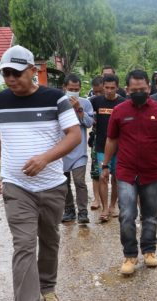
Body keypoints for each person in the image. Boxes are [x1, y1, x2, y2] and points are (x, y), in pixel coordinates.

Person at [0, 45, 81, 301]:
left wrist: (45, 158)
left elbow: (74, 135)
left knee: (50, 240)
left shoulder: (55, 99)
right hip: (17, 186)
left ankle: (47, 288)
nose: (10, 79)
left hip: (52, 185)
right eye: (6, 74)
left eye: (16, 73)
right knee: (24, 245)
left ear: (33, 71)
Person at [101, 69, 157, 276]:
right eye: (134, 89)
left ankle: (149, 251)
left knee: (150, 216)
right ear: (127, 90)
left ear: (149, 88)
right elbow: (111, 140)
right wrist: (105, 165)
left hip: (152, 172)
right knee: (127, 215)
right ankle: (129, 255)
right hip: (126, 172)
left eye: (143, 89)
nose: (139, 92)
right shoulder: (119, 111)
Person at [91, 74, 126, 222]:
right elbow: (87, 118)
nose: (109, 90)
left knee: (116, 178)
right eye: (106, 87)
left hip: (119, 147)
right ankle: (104, 208)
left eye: (112, 88)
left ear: (117, 87)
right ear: (102, 87)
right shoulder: (95, 101)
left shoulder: (124, 103)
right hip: (101, 146)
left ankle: (113, 206)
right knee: (103, 177)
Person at [61, 74, 95, 224]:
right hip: (60, 150)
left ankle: (83, 211)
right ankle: (69, 210)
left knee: (79, 181)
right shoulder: (57, 103)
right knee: (63, 182)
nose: (73, 92)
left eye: (76, 89)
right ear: (64, 88)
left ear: (80, 88)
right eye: (70, 89)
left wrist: (78, 109)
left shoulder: (85, 103)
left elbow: (89, 123)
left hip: (79, 150)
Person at [88, 76, 104, 210]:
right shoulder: (91, 102)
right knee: (96, 171)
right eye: (95, 92)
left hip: (114, 139)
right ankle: (96, 198)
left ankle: (114, 202)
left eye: (101, 91)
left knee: (116, 172)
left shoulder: (117, 100)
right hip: (97, 139)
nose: (98, 95)